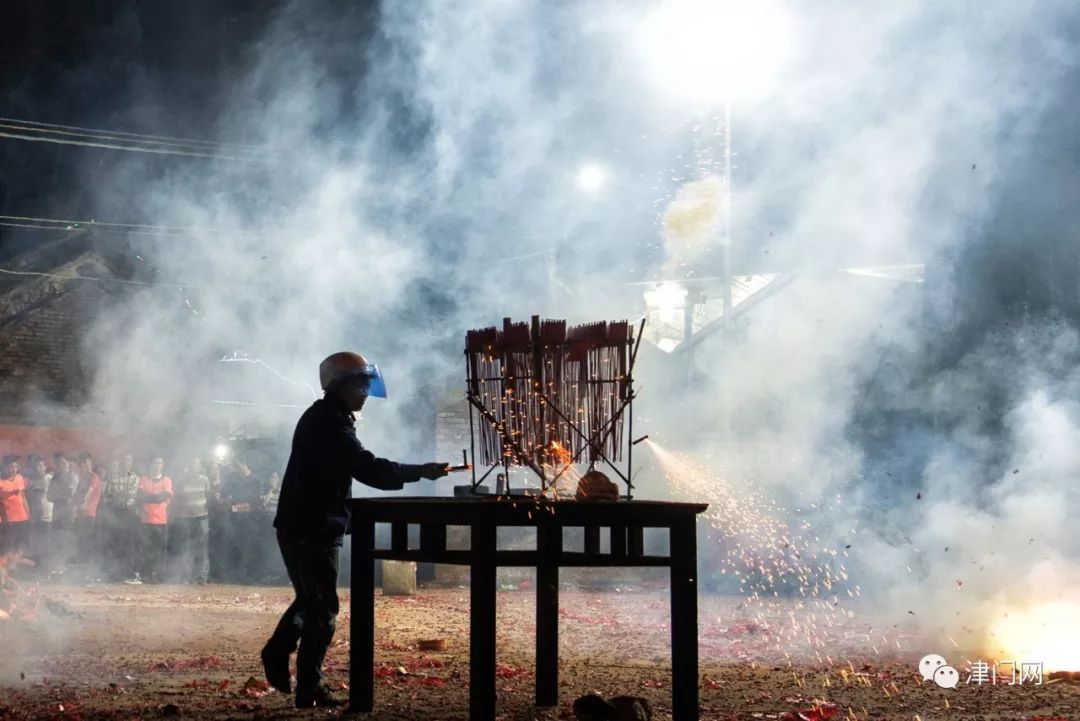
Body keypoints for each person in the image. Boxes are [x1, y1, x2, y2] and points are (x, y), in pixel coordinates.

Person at [261, 351, 448, 708]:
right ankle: (306, 684)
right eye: (359, 383)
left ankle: (280, 656)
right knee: (323, 609)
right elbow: (368, 468)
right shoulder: (330, 422)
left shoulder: (327, 417)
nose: (365, 391)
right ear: (340, 385)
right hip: (313, 525)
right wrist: (419, 471)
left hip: (301, 522)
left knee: (310, 600)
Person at [169, 457, 210, 584]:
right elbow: (176, 499)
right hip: (185, 518)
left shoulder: (205, 480)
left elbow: (208, 496)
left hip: (202, 518)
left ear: (200, 466)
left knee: (201, 549)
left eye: (197, 464)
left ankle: (200, 577)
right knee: (185, 548)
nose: (194, 466)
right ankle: (185, 577)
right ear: (189, 466)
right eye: (192, 464)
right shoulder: (181, 481)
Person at [103, 455, 141, 582]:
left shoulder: (136, 478)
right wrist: (118, 496)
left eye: (128, 460)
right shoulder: (113, 478)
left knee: (129, 544)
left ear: (131, 463)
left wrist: (118, 494)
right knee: (117, 543)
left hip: (129, 513)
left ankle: (129, 573)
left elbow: (132, 494)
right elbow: (107, 495)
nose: (126, 463)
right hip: (115, 513)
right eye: (124, 460)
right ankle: (116, 573)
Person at [136, 456, 172, 584]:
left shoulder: (167, 481)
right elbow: (140, 497)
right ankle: (145, 574)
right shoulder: (143, 479)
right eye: (155, 462)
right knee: (145, 548)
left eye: (160, 462)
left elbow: (163, 497)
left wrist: (150, 497)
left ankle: (156, 575)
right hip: (145, 519)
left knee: (159, 550)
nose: (157, 465)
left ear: (163, 465)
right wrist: (156, 497)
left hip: (160, 520)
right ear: (151, 464)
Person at [47, 454, 78, 571]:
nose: (61, 466)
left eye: (63, 463)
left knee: (68, 540)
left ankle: (69, 568)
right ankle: (57, 566)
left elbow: (69, 495)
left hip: (68, 514)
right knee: (56, 540)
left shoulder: (73, 477)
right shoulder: (54, 478)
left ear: (68, 464)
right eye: (58, 464)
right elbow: (49, 497)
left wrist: (58, 494)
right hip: (56, 514)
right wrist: (60, 494)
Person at [74, 452, 103, 575]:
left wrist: (83, 504)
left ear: (90, 463)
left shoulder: (94, 477)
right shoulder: (81, 477)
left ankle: (90, 573)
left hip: (90, 515)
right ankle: (82, 571)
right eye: (81, 463)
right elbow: (77, 494)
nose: (83, 465)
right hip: (81, 516)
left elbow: (89, 492)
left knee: (87, 544)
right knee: (81, 544)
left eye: (85, 462)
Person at [24, 455, 52, 564]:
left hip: (49, 516)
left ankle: (48, 566)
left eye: (41, 465)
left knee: (47, 542)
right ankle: (37, 566)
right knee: (36, 542)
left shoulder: (50, 479)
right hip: (35, 517)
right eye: (36, 466)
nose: (38, 468)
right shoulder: (30, 482)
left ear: (45, 467)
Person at [0, 455, 31, 555]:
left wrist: (28, 513)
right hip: (8, 519)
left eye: (15, 467)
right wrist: (4, 517)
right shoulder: (1, 481)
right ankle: (4, 566)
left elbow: (23, 497)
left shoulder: (19, 478)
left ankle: (17, 566)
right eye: (10, 467)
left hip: (22, 517)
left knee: (20, 544)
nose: (12, 470)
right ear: (4, 467)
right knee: (7, 544)